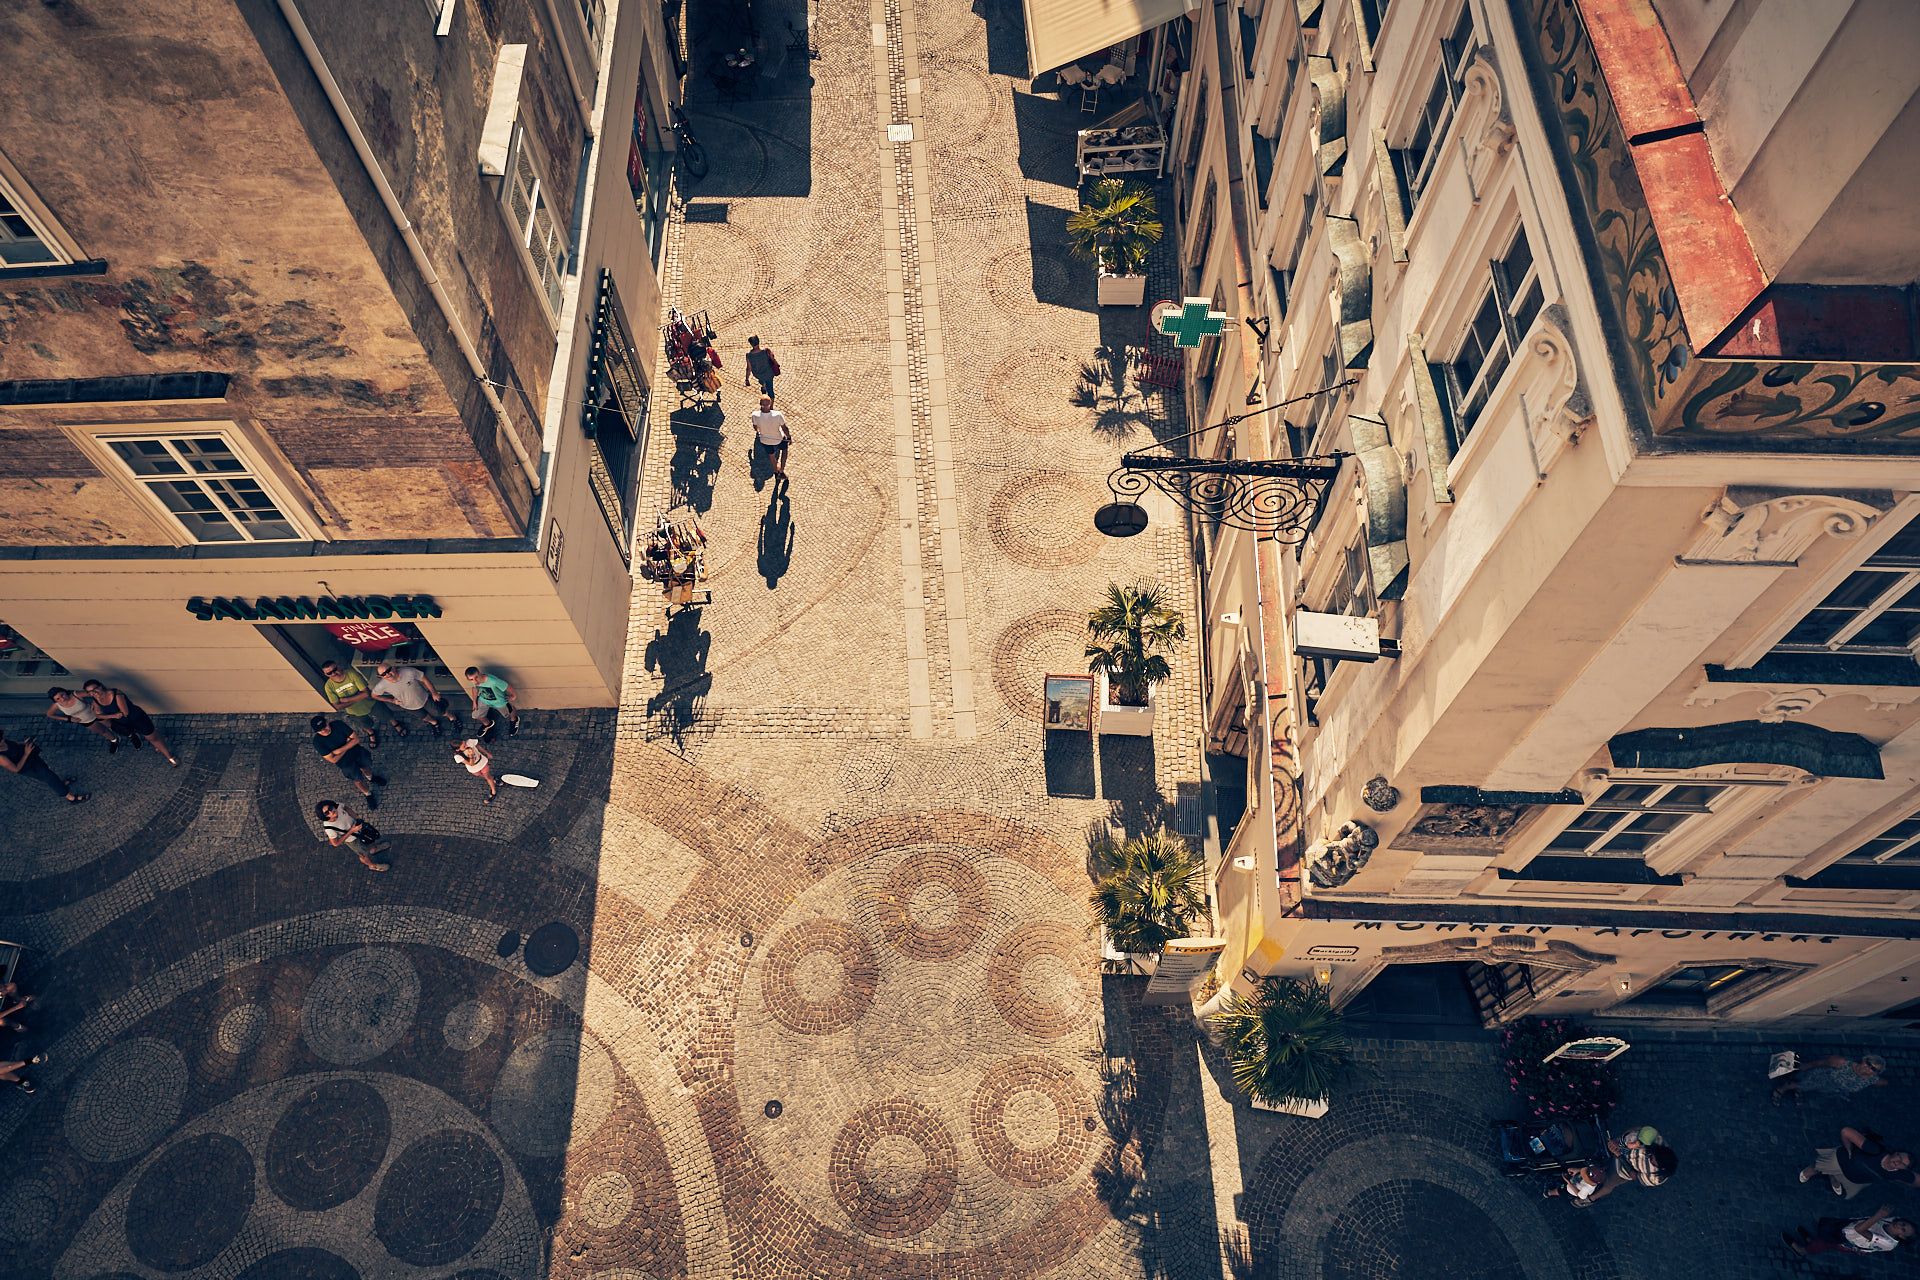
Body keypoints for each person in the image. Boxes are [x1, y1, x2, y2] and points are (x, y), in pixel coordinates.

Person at [1801, 1126, 1919, 1199]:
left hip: (1854, 1177)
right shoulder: (1875, 1150)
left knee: (1836, 1176)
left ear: (1904, 1169)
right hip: (1840, 1160)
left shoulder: (1900, 1174)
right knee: (1818, 1166)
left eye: (1902, 1164)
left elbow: (1917, 1180)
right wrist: (1848, 1149)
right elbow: (1846, 1131)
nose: (1897, 1162)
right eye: (1898, 1156)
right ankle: (1808, 1172)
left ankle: (1833, 1178)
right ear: (1895, 1153)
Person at [82, 680, 178, 766]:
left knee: (152, 738)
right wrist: (113, 716)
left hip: (137, 718)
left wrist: (109, 716)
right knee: (150, 736)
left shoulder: (117, 694)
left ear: (101, 686)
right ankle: (158, 742)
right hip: (123, 723)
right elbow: (98, 716)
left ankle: (169, 757)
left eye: (95, 689)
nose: (93, 693)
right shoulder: (95, 701)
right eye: (89, 692)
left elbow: (125, 713)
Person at [321, 659, 405, 745]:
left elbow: (366, 693)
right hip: (354, 712)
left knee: (386, 714)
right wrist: (358, 695)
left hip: (370, 703)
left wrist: (346, 700)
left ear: (338, 666)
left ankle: (395, 724)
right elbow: (337, 706)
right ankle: (371, 733)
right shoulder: (328, 687)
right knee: (365, 725)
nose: (333, 673)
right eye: (329, 673)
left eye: (334, 670)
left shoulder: (351, 674)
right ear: (325, 674)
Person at [1584, 1124, 1676, 1201]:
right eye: (1652, 1155)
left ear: (1660, 1168)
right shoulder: (1656, 1141)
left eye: (1653, 1161)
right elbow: (1638, 1131)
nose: (1650, 1158)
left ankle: (1591, 1199)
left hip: (1622, 1169)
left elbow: (1634, 1175)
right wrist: (1621, 1142)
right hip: (1624, 1146)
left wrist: (1619, 1155)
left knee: (1609, 1183)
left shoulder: (1655, 1178)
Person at [309, 715, 384, 808]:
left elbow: (356, 739)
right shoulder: (317, 742)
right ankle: (368, 794)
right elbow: (333, 759)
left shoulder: (338, 724)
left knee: (366, 767)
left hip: (358, 752)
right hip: (346, 764)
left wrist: (337, 751)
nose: (324, 731)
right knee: (357, 780)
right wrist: (347, 743)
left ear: (327, 722)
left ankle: (371, 778)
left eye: (325, 727)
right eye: (320, 730)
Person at [0, 725, 86, 803]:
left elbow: (15, 744)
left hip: (31, 757)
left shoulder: (3, 741)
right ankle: (71, 798)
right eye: (1, 739)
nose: (3, 739)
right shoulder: (1, 757)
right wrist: (26, 753)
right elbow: (16, 769)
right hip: (28, 767)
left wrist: (25, 743)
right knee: (49, 777)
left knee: (49, 772)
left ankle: (61, 784)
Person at [371, 661, 458, 736]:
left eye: (388, 670)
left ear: (393, 667)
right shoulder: (382, 685)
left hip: (425, 699)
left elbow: (424, 679)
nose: (387, 674)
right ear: (381, 677)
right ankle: (434, 723)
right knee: (424, 716)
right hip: (408, 706)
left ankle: (453, 718)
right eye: (383, 674)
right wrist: (392, 700)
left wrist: (434, 693)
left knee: (440, 711)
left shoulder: (408, 671)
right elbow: (374, 695)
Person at [1786, 1207, 1915, 1256]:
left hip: (1849, 1240)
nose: (1899, 1225)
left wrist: (1878, 1215)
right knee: (1827, 1230)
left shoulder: (1888, 1243)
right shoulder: (1892, 1221)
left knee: (1827, 1243)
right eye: (1903, 1223)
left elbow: (1860, 1230)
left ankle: (1802, 1250)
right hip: (1848, 1227)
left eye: (1902, 1229)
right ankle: (1811, 1240)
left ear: (1902, 1236)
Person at [1774, 1053, 1887, 1102]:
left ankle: (1798, 1089)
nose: (1868, 1068)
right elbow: (1822, 1062)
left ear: (1876, 1073)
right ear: (1864, 1060)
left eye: (1873, 1069)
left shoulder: (1872, 1079)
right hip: (1820, 1077)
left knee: (1808, 1088)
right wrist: (1807, 1066)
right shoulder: (1843, 1063)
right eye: (1868, 1063)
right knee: (1802, 1084)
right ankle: (1781, 1089)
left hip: (1831, 1088)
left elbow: (1884, 1083)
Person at [314, 800, 390, 872]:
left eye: (330, 808)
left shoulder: (337, 806)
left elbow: (346, 808)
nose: (331, 811)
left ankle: (374, 849)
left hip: (359, 828)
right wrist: (352, 831)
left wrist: (357, 818)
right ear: (324, 816)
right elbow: (335, 843)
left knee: (370, 840)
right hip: (352, 840)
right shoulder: (329, 827)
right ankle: (372, 865)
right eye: (327, 813)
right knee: (363, 854)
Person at [46, 686, 117, 749]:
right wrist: (68, 719)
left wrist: (95, 703)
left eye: (62, 695)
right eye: (58, 699)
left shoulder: (75, 694)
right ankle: (114, 740)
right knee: (103, 732)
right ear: (55, 701)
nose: (62, 699)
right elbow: (49, 714)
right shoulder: (56, 706)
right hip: (86, 722)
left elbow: (94, 693)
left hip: (97, 715)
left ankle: (124, 732)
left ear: (65, 691)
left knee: (112, 725)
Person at [464, 666, 519, 739]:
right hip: (484, 700)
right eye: (471, 679)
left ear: (479, 673)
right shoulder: (474, 682)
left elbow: (507, 686)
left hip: (499, 702)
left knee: (510, 712)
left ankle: (514, 720)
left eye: (476, 677)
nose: (475, 681)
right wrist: (474, 701)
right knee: (476, 715)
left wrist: (513, 696)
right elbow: (475, 689)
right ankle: (488, 724)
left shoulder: (493, 681)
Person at [751, 394, 790, 484]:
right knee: (784, 451)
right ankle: (782, 470)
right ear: (770, 403)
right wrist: (789, 437)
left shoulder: (755, 415)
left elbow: (755, 426)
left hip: (765, 440)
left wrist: (758, 431)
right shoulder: (777, 414)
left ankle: (776, 471)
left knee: (772, 456)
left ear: (760, 404)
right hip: (779, 438)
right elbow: (784, 428)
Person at [453, 737, 499, 804]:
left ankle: (493, 792)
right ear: (458, 749)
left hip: (482, 763)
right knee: (479, 775)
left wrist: (486, 753)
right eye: (464, 746)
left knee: (487, 777)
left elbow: (478, 746)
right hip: (473, 768)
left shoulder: (469, 742)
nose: (466, 745)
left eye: (465, 743)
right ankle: (493, 779)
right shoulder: (458, 756)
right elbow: (471, 764)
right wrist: (471, 755)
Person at [744, 335, 780, 399]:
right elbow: (773, 359)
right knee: (770, 391)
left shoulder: (749, 356)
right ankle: (770, 406)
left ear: (751, 344)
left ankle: (764, 386)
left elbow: (748, 369)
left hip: (758, 375)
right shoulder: (766, 351)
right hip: (769, 374)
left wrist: (747, 379)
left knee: (762, 381)